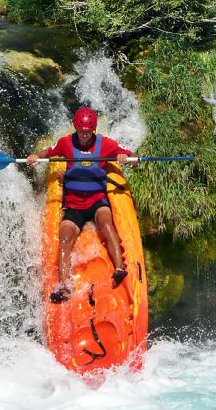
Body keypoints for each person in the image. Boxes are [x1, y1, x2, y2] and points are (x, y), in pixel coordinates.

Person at [26, 107, 139, 302]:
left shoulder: (106, 144)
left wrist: (126, 158)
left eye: (88, 131)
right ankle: (64, 287)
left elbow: (134, 157)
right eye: (81, 131)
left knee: (105, 222)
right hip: (74, 204)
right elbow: (48, 152)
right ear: (76, 128)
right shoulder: (65, 143)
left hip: (97, 200)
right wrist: (36, 156)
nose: (84, 135)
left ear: (93, 129)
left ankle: (120, 268)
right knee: (65, 237)